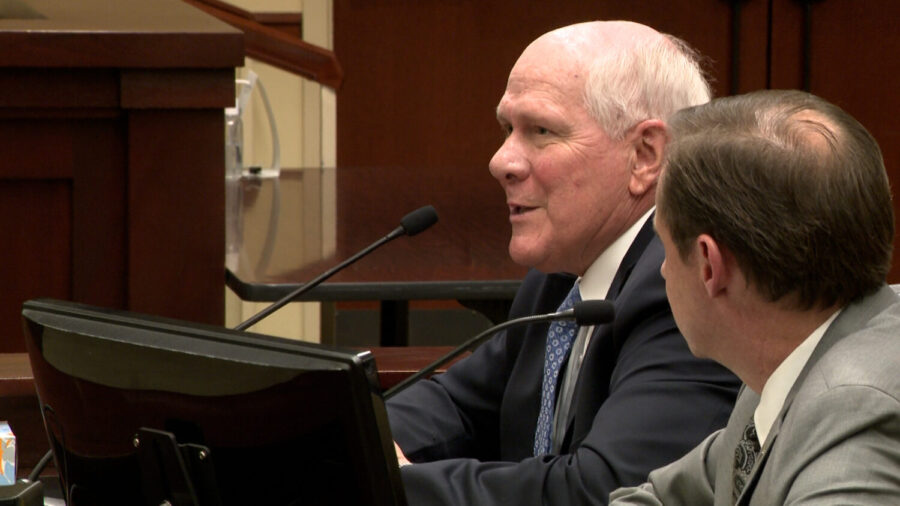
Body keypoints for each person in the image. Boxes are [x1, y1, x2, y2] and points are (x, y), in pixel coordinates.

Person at [387, 21, 740, 505]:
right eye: (508, 129)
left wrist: (396, 481)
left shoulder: (681, 288)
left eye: (541, 131)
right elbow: (460, 405)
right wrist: (357, 441)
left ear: (645, 155)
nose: (501, 161)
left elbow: (602, 490)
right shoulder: (561, 272)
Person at [609, 90, 900, 505]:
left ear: (709, 265)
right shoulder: (781, 369)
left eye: (665, 246)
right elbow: (661, 497)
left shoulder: (853, 410)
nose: (663, 270)